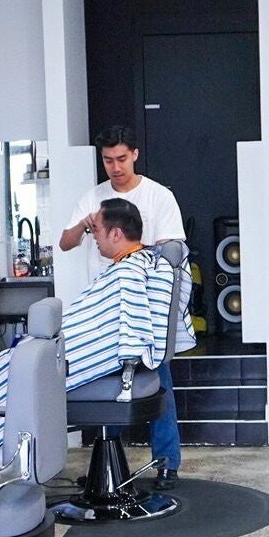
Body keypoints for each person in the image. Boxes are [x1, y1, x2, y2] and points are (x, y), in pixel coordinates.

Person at [0, 198, 173, 454]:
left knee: (9, 365)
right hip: (109, 358)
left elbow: (133, 329)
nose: (93, 237)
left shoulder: (128, 273)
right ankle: (13, 455)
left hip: (111, 363)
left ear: (116, 233)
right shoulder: (142, 262)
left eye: (96, 229)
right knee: (14, 360)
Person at [58, 126, 191, 488]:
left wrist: (129, 248)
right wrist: (86, 225)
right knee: (107, 387)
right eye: (107, 160)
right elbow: (65, 242)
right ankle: (108, 465)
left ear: (134, 154)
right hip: (107, 311)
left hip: (143, 308)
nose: (114, 167)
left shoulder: (159, 197)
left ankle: (167, 463)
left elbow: (171, 254)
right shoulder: (94, 197)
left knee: (157, 383)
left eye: (120, 158)